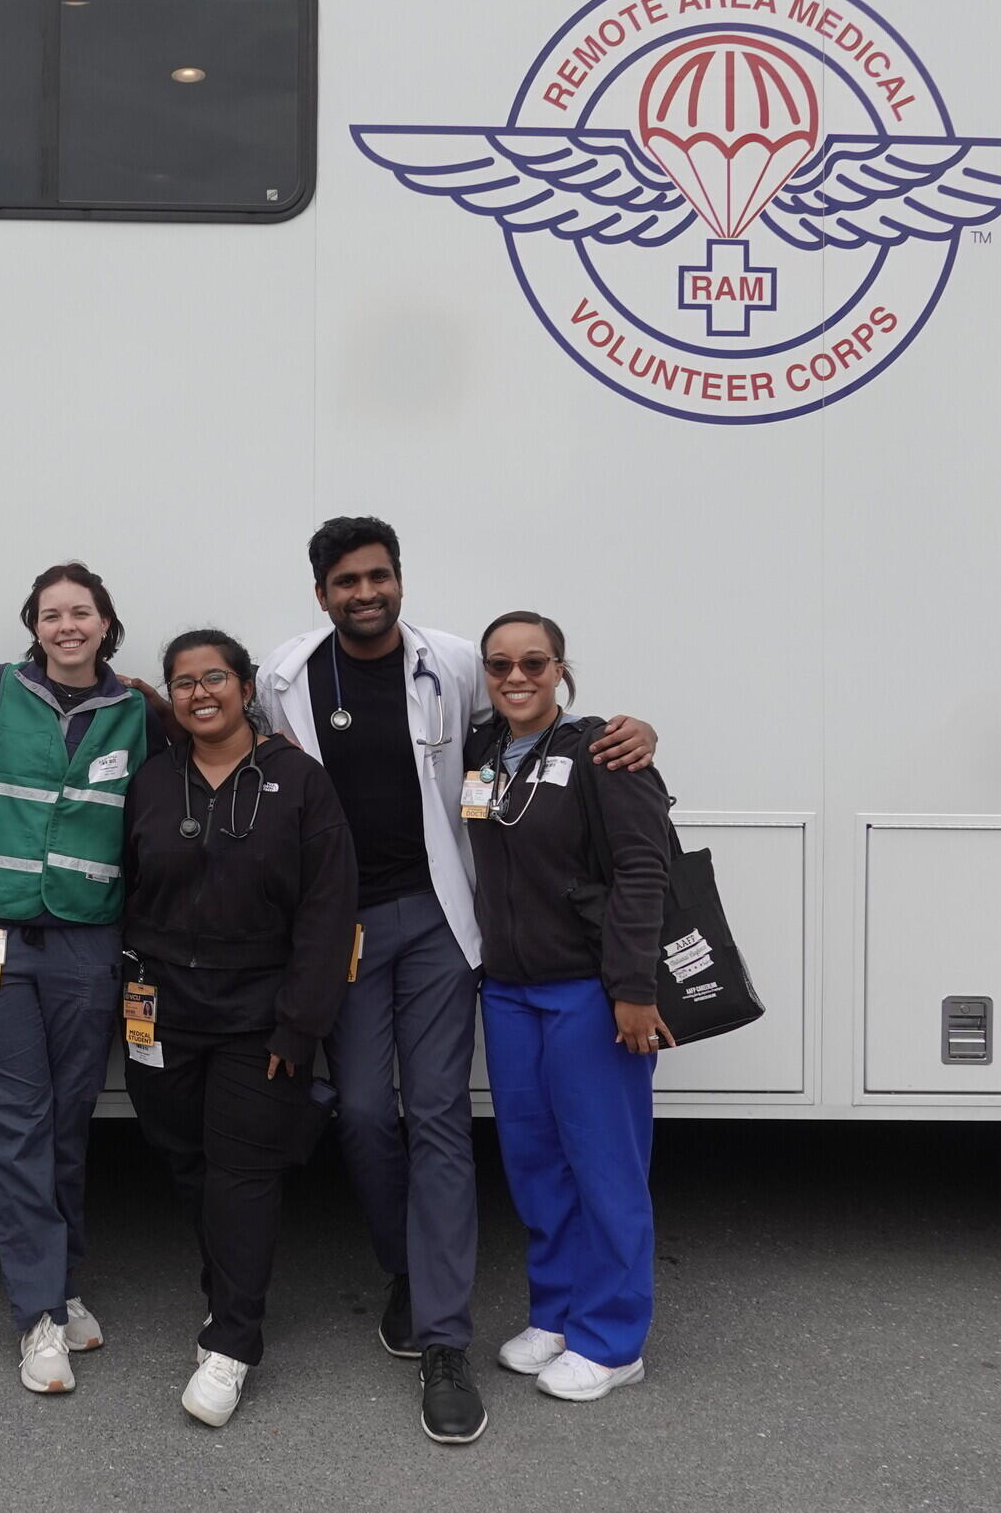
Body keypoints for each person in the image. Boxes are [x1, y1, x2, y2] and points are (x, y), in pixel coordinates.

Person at [258, 516, 654, 1446]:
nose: (367, 592)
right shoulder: (287, 675)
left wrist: (632, 725)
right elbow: (230, 735)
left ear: (401, 580)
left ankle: (443, 1337)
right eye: (347, 580)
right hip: (345, 927)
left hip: (437, 916)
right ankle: (411, 1269)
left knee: (436, 1112)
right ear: (321, 592)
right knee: (360, 1111)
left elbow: (541, 717)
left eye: (381, 575)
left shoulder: (454, 659)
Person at [121, 631, 358, 1428]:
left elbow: (329, 915)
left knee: (244, 1170)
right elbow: (125, 889)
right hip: (161, 1009)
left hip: (261, 1013)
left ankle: (234, 1339)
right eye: (182, 683)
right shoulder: (152, 781)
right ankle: (224, 1294)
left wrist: (300, 1025)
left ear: (246, 684)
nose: (199, 693)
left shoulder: (300, 781)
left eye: (214, 676)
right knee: (185, 1160)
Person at [0, 561, 166, 1395]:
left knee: (69, 1119)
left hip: (85, 942)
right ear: (32, 625)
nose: (67, 625)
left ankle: (63, 1281)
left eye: (82, 612)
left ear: (107, 623)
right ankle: (37, 1316)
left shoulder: (138, 709)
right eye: (51, 614)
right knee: (15, 1123)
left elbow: (224, 740)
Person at [465, 612, 672, 1403]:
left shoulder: (605, 751)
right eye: (500, 664)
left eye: (533, 662)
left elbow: (643, 870)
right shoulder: (483, 752)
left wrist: (633, 988)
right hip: (510, 990)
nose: (516, 677)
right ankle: (556, 1312)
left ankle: (615, 1339)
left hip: (589, 992)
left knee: (605, 1167)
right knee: (536, 1163)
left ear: (560, 667)